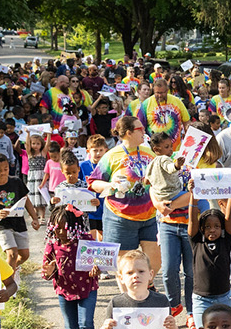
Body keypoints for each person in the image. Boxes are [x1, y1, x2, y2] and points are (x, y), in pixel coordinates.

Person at [87, 116, 164, 280]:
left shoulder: (149, 153)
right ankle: (129, 298)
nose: (144, 132)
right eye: (140, 129)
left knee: (154, 264)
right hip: (120, 218)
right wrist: (110, 186)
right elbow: (93, 182)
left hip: (149, 216)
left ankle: (147, 288)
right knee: (123, 269)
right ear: (128, 133)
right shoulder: (111, 155)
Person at [41, 205, 101, 329]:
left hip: (86, 288)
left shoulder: (85, 240)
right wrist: (50, 270)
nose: (59, 232)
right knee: (70, 327)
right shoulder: (52, 244)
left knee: (86, 324)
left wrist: (96, 269)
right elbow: (45, 272)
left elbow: (99, 262)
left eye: (63, 228)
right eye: (55, 228)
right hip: (64, 290)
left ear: (74, 226)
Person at [146, 132, 195, 318]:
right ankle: (174, 304)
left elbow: (194, 194)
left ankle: (192, 312)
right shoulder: (163, 161)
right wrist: (158, 204)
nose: (172, 148)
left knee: (190, 271)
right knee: (168, 270)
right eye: (167, 146)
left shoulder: (191, 164)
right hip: (167, 224)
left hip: (189, 223)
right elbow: (151, 186)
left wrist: (172, 205)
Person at [189, 193, 231, 329]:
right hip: (201, 300)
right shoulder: (197, 242)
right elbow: (192, 219)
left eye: (217, 226)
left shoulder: (225, 241)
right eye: (208, 227)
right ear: (202, 229)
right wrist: (193, 196)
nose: (212, 230)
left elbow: (229, 218)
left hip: (223, 298)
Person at [0, 153, 40, 269]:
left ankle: (8, 270)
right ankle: (9, 282)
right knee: (12, 254)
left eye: (5, 169)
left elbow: (26, 200)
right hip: (1, 225)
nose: (3, 172)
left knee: (24, 255)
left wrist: (35, 218)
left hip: (18, 223)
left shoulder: (16, 182)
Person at [78, 136, 109, 241]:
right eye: (95, 150)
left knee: (104, 239)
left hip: (104, 208)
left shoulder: (108, 166)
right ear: (88, 151)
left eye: (101, 150)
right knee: (90, 239)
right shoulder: (82, 166)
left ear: (106, 150)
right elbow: (76, 185)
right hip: (88, 210)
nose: (98, 153)